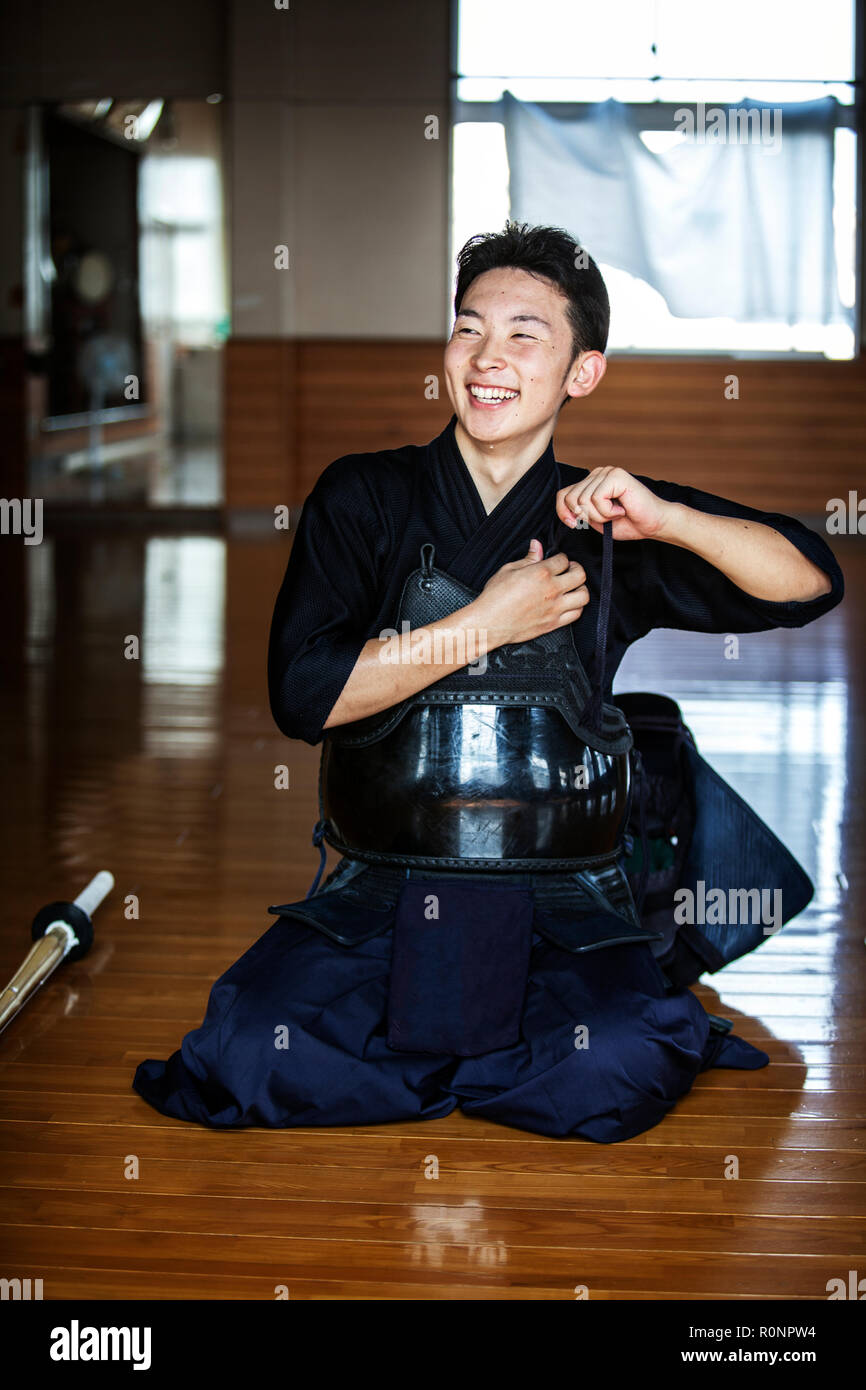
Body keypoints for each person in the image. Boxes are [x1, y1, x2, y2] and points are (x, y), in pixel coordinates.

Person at [133, 223, 844, 1143]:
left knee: (611, 1065)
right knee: (248, 1053)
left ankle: (443, 1057)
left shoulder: (606, 519)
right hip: (383, 887)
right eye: (468, 329)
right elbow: (303, 696)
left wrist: (670, 519)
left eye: (524, 335)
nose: (487, 358)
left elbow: (808, 583)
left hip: (560, 899)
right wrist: (482, 626)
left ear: (581, 372)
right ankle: (488, 1060)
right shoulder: (363, 496)